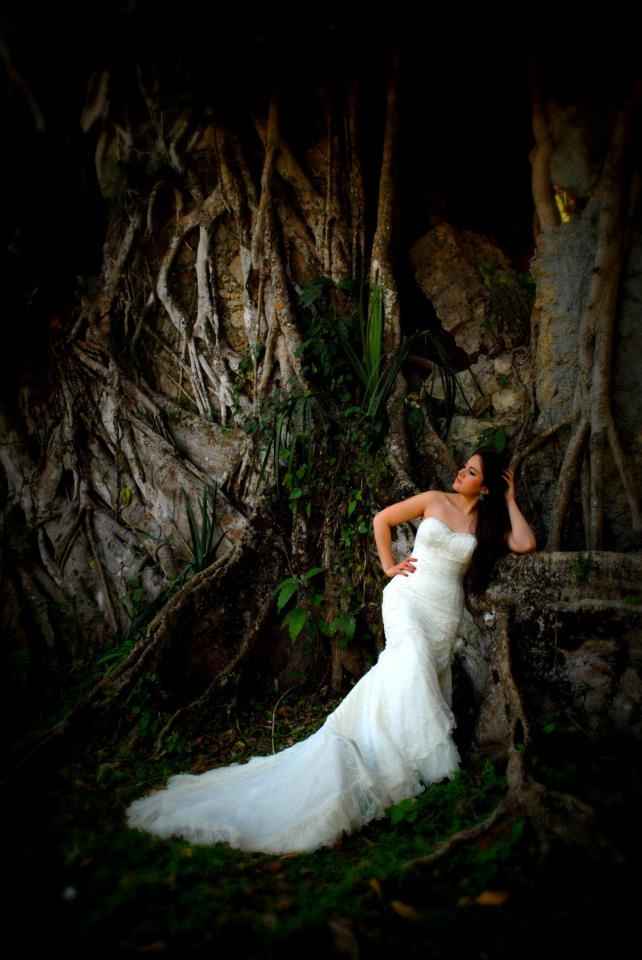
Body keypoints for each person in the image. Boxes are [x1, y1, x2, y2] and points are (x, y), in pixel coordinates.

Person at [125, 447, 536, 854]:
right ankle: (389, 762)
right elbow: (382, 520)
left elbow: (525, 543)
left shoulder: (486, 522)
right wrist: (388, 565)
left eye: (471, 472)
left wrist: (510, 499)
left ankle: (393, 756)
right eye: (463, 467)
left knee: (407, 678)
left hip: (443, 614)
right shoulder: (433, 500)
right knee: (407, 662)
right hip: (408, 598)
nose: (460, 474)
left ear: (484, 486)